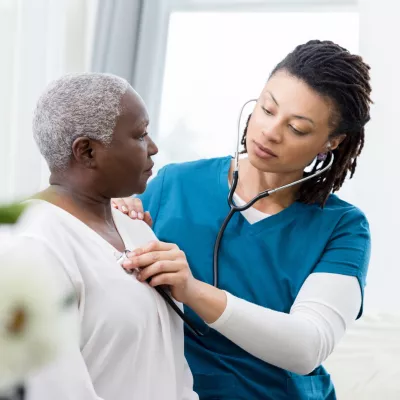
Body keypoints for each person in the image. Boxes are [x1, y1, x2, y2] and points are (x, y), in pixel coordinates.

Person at [112, 40, 372, 400]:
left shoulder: (342, 227)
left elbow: (306, 347)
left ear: (331, 142)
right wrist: (111, 216)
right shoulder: (174, 185)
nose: (269, 131)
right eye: (267, 109)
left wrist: (193, 290)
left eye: (297, 128)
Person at [9, 73, 198, 400]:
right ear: (87, 152)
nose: (153, 148)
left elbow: (168, 367)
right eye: (140, 135)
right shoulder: (32, 246)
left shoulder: (136, 227)